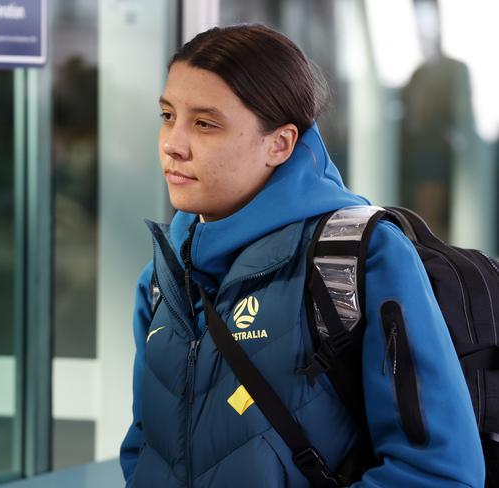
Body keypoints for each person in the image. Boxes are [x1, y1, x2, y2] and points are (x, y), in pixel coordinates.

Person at [119, 24, 484, 487]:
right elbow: (144, 451)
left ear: (281, 143)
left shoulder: (357, 259)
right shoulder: (163, 277)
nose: (174, 143)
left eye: (205, 123)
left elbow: (438, 473)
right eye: (168, 115)